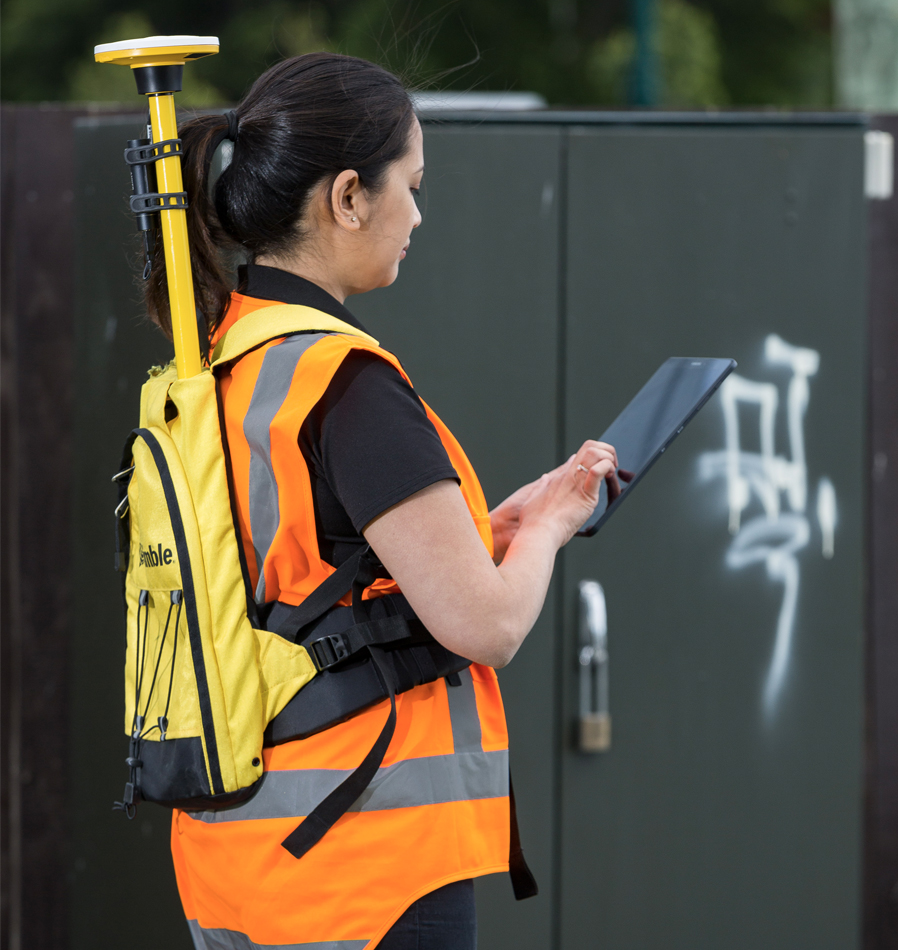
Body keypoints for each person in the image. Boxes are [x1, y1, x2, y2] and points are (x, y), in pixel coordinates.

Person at [147, 51, 620, 950]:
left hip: (238, 860)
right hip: (367, 862)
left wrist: (488, 533)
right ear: (349, 196)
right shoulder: (346, 382)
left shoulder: (223, 360)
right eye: (413, 184)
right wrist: (553, 526)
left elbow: (298, 580)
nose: (417, 216)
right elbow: (486, 627)